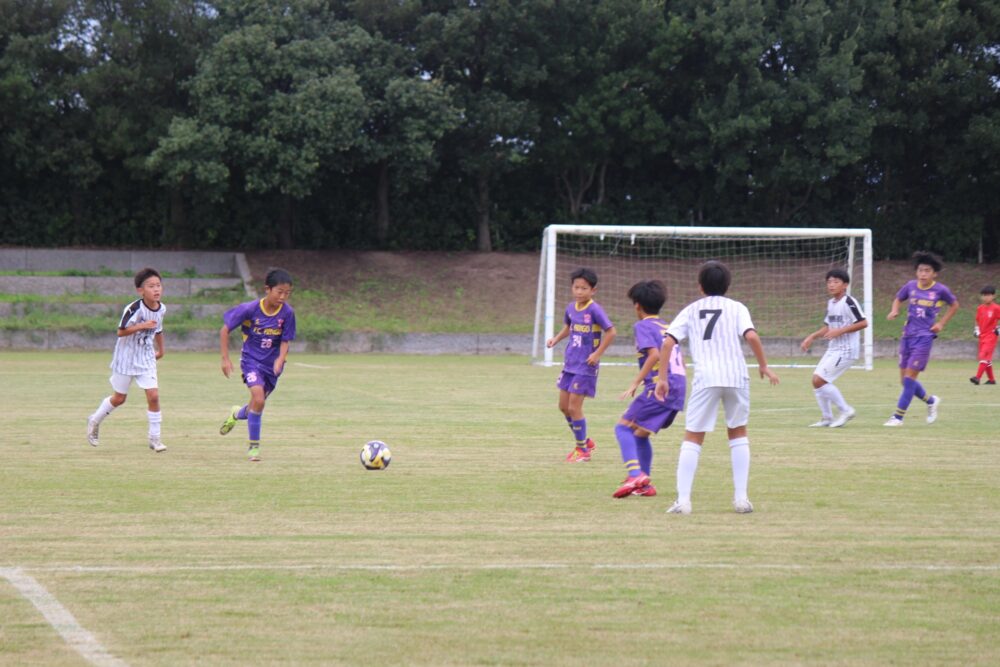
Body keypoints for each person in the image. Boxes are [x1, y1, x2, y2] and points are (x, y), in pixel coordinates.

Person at [654, 260, 779, 515]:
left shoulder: (691, 310)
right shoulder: (737, 308)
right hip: (736, 376)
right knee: (738, 432)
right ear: (728, 285)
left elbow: (667, 343)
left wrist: (662, 378)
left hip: (706, 378)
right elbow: (751, 336)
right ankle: (741, 499)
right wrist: (764, 365)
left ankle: (683, 501)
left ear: (700, 286)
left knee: (693, 436)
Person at [612, 280, 686, 498]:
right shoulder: (667, 327)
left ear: (637, 305)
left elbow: (654, 354)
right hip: (678, 388)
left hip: (660, 386)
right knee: (640, 434)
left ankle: (635, 475)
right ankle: (644, 484)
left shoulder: (642, 326)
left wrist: (636, 382)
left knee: (622, 428)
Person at [218, 268, 297, 461]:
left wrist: (280, 358)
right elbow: (225, 330)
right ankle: (254, 448)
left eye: (287, 293)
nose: (283, 297)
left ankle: (236, 414)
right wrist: (225, 358)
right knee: (259, 399)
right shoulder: (250, 309)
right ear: (267, 289)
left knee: (256, 405)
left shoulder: (287, 313)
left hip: (272, 367)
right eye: (279, 292)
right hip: (251, 361)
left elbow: (285, 340)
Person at [86, 267, 167, 453]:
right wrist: (142, 325)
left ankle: (155, 439)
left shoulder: (161, 308)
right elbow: (120, 332)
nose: (156, 289)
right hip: (126, 358)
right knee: (119, 398)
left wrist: (161, 350)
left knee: (154, 396)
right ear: (140, 290)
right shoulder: (133, 309)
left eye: (158, 285)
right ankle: (94, 420)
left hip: (146, 357)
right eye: (151, 286)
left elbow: (158, 329)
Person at [546, 267, 616, 462]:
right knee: (563, 407)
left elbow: (611, 332)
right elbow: (568, 327)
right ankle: (584, 441)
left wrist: (597, 353)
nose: (579, 292)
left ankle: (582, 450)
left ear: (593, 290)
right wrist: (556, 339)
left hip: (586, 366)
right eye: (576, 287)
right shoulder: (571, 308)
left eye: (584, 288)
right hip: (570, 364)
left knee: (574, 408)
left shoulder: (594, 309)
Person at [884, 251, 958, 426]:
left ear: (934, 274)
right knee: (905, 381)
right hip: (907, 336)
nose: (923, 274)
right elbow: (898, 299)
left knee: (909, 379)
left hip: (924, 337)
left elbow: (954, 305)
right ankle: (931, 401)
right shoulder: (910, 286)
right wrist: (894, 310)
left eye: (927, 271)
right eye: (920, 270)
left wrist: (941, 323)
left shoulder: (940, 290)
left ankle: (898, 417)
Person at [799, 269, 868, 428]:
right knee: (816, 381)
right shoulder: (831, 303)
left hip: (846, 350)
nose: (831, 285)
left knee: (820, 380)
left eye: (836, 282)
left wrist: (840, 331)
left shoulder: (849, 301)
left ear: (845, 285)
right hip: (833, 348)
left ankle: (846, 410)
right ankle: (827, 418)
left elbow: (863, 323)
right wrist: (812, 337)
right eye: (829, 282)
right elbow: (828, 327)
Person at [970, 285, 1000, 385]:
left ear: (993, 296)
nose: (986, 297)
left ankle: (977, 377)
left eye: (988, 295)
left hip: (991, 336)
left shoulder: (996, 308)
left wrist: (999, 329)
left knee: (983, 356)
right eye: (984, 295)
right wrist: (976, 329)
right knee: (987, 359)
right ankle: (991, 380)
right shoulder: (980, 308)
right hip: (982, 336)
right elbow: (977, 320)